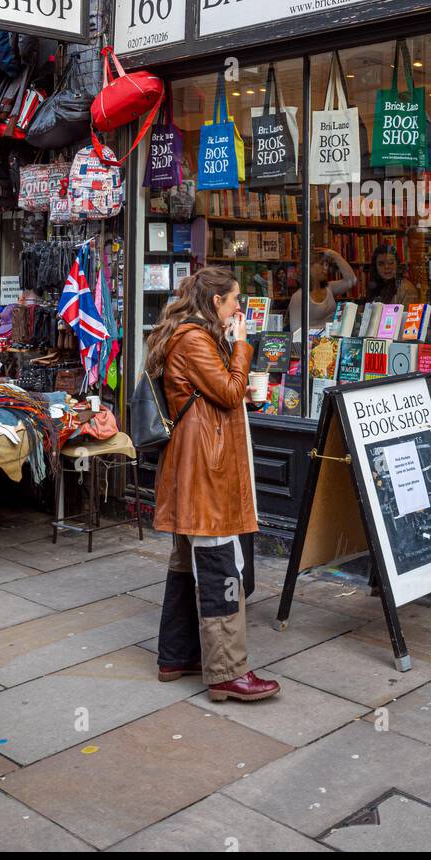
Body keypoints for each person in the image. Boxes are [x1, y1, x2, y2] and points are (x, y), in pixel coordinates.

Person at [149, 266, 280, 703]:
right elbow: (227, 392)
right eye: (234, 300)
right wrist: (242, 347)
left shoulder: (197, 338)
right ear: (214, 302)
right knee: (222, 564)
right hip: (207, 470)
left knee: (188, 562)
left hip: (198, 465)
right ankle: (227, 673)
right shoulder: (194, 340)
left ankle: (177, 655)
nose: (239, 307)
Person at [287, 248, 356, 335]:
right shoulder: (298, 297)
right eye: (321, 264)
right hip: (313, 344)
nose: (325, 268)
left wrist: (335, 255)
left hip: (332, 343)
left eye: (327, 264)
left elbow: (352, 280)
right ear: (309, 267)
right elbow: (296, 331)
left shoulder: (329, 288)